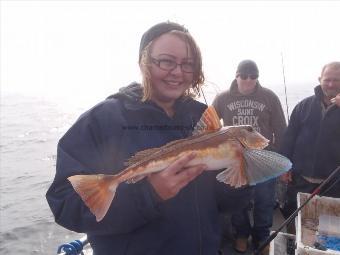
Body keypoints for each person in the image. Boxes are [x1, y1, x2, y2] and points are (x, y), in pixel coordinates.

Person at [46, 21, 251, 255]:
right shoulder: (103, 120)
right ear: (144, 62)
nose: (177, 71)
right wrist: (149, 194)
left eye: (188, 64)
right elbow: (65, 203)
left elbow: (224, 204)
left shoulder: (201, 117)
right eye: (166, 61)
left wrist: (240, 178)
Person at [212, 60, 287, 254]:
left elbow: (280, 129)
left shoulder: (269, 97)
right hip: (235, 160)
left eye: (253, 76)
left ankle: (262, 236)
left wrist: (277, 159)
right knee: (237, 201)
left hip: (262, 160)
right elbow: (210, 127)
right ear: (236, 76)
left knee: (265, 199)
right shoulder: (222, 98)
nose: (248, 80)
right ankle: (242, 234)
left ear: (257, 78)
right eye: (243, 76)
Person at [279, 62, 340, 228]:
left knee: (329, 229)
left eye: (336, 80)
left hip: (334, 184)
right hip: (301, 181)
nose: (331, 84)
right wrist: (284, 167)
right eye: (327, 79)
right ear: (320, 79)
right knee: (296, 224)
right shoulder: (303, 106)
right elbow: (289, 138)